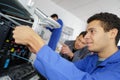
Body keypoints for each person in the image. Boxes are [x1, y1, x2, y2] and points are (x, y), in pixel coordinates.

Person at [13, 12, 120, 80]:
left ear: (112, 33)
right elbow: (68, 70)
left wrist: (38, 44)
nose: (86, 37)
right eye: (87, 32)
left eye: (92, 31)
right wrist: (39, 52)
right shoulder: (92, 59)